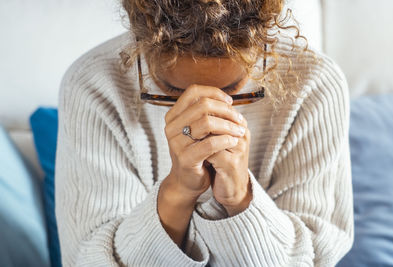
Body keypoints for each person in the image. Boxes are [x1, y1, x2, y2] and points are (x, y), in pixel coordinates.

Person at [54, 0, 354, 266]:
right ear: (141, 44)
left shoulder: (315, 85)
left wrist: (240, 197)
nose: (204, 117)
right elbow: (89, 259)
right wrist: (178, 191)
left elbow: (316, 258)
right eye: (172, 92)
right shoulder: (92, 87)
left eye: (231, 91)